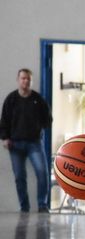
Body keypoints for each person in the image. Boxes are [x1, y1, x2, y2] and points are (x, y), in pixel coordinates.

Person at [0, 68, 52, 213]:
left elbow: (47, 119)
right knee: (19, 177)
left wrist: (39, 128)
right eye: (23, 78)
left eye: (28, 79)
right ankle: (24, 207)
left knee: (42, 173)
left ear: (31, 81)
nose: (26, 81)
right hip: (15, 144)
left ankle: (42, 205)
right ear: (18, 80)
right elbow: (4, 120)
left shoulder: (38, 99)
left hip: (34, 143)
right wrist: (5, 138)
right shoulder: (11, 99)